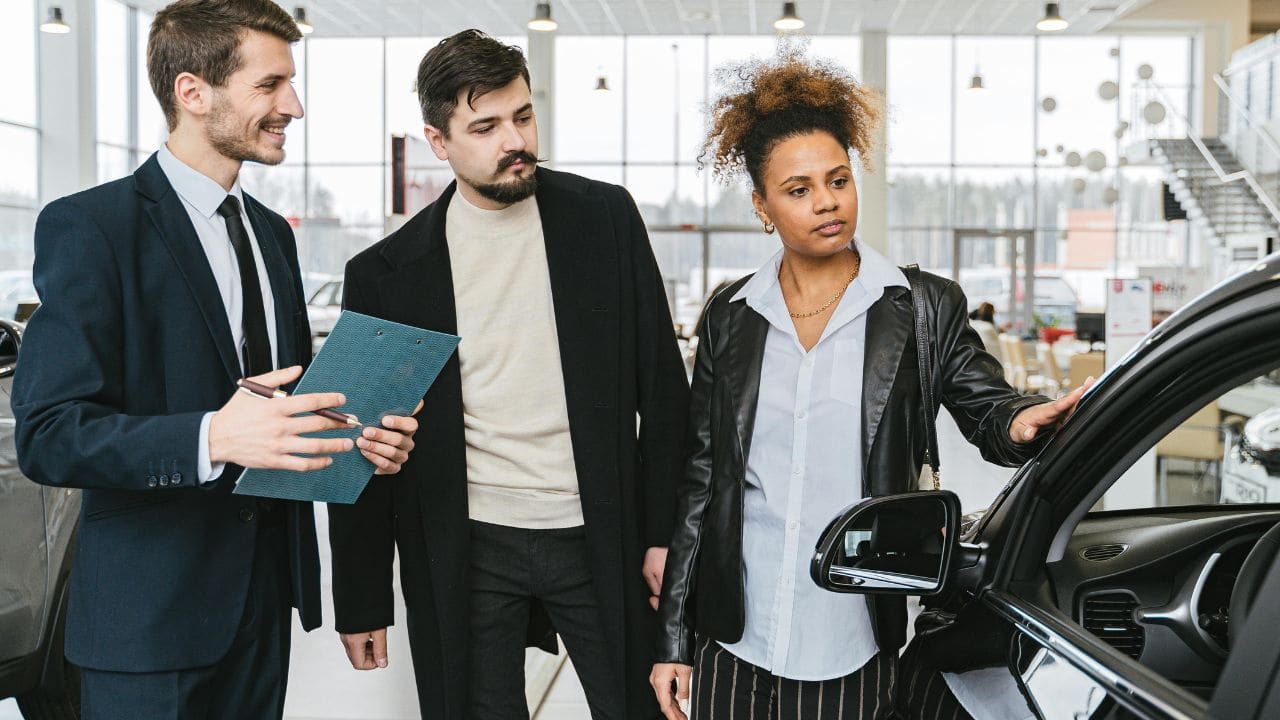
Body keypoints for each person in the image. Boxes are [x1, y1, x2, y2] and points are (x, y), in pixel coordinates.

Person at [649, 51, 1091, 720]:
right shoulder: (731, 316)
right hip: (736, 635)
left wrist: (1019, 420)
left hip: (854, 636)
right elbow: (701, 483)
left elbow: (987, 407)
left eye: (838, 179)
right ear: (762, 206)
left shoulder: (920, 306)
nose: (826, 201)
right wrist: (674, 641)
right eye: (798, 189)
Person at [11, 1, 418, 717]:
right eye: (269, 85)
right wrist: (211, 437)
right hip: (149, 627)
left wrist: (357, 440)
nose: (293, 106)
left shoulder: (271, 234)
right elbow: (49, 434)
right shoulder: (92, 227)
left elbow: (281, 412)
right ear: (193, 92)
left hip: (263, 611)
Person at [327, 30, 690, 720]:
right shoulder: (385, 274)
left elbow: (665, 392)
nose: (515, 140)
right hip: (467, 543)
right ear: (438, 142)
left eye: (523, 116)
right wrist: (362, 597)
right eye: (485, 126)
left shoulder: (605, 218)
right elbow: (360, 447)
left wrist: (665, 535)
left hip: (600, 531)